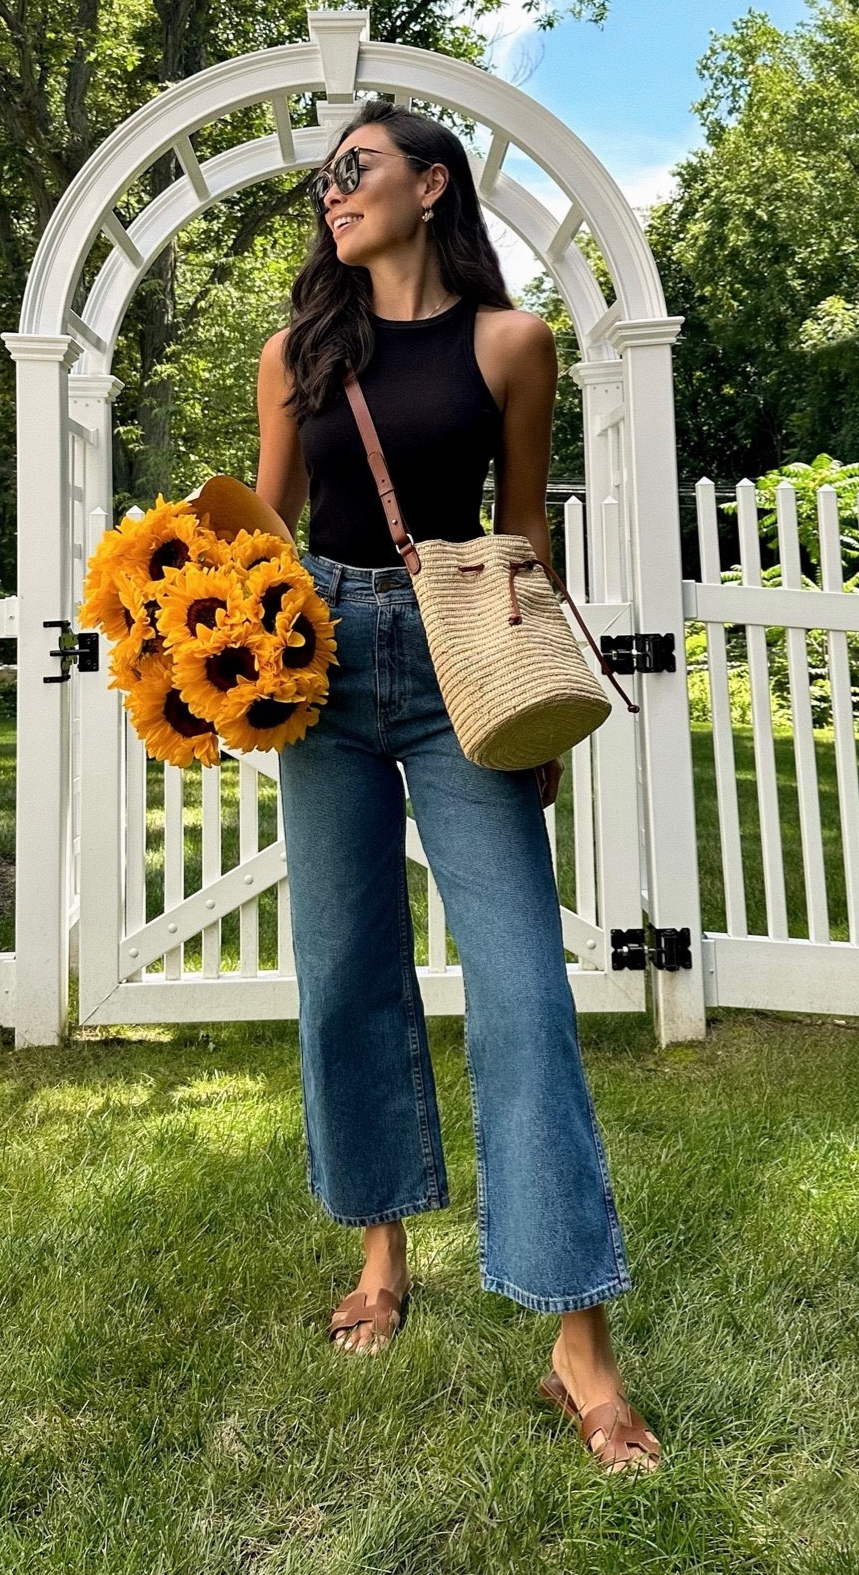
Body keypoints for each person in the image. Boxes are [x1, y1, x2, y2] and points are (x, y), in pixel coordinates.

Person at [254, 99, 660, 1473]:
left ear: (431, 186)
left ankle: (576, 1338)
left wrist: (532, 703)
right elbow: (260, 534)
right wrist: (211, 648)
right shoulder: (292, 357)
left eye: (353, 168)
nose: (332, 192)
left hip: (456, 663)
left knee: (524, 989)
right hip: (318, 670)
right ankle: (382, 1252)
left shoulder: (511, 342)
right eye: (323, 179)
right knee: (346, 969)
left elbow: (522, 527)